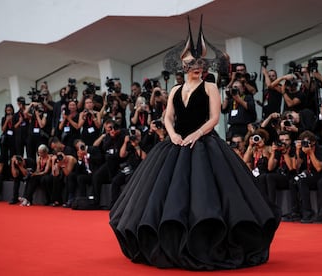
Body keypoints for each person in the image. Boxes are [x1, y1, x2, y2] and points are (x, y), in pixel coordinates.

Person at [109, 20, 280, 270]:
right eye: (192, 64)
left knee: (206, 194)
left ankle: (206, 238)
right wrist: (173, 134)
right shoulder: (176, 89)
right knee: (167, 196)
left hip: (205, 144)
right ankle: (171, 240)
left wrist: (196, 134)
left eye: (201, 63)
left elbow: (214, 118)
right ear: (183, 65)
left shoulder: (210, 87)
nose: (197, 67)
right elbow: (168, 117)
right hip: (175, 143)